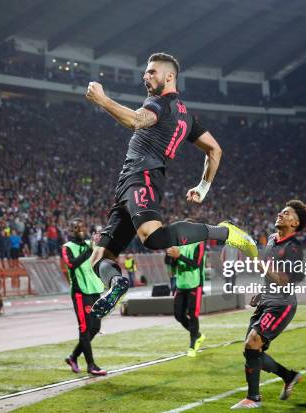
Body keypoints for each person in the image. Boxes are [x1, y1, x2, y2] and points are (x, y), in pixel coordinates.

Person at [84, 52, 257, 319]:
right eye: (145, 72)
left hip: (142, 176)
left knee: (153, 238)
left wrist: (103, 100)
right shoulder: (186, 116)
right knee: (98, 259)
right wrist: (203, 187)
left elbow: (136, 121)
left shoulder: (160, 104)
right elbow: (215, 150)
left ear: (169, 76)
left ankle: (224, 232)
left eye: (151, 71)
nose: (145, 76)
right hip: (129, 184)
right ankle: (116, 284)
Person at [231, 200, 306, 409]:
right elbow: (270, 275)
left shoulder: (293, 248)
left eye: (286, 213)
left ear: (295, 223)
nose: (280, 214)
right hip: (266, 301)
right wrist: (260, 292)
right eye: (281, 211)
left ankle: (253, 398)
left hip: (281, 305)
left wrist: (262, 267)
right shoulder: (272, 240)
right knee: (251, 352)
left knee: (252, 343)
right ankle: (289, 376)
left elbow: (284, 279)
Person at [62, 218, 107, 376]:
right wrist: (89, 249)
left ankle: (73, 356)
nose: (80, 230)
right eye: (77, 227)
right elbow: (72, 264)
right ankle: (91, 365)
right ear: (72, 230)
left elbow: (102, 249)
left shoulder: (90, 243)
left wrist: (101, 240)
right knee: (85, 328)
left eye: (82, 227)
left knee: (96, 327)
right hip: (80, 292)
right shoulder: (67, 247)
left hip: (94, 289)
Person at [166, 240, 206, 357]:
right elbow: (173, 266)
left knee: (193, 315)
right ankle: (197, 335)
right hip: (181, 284)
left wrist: (179, 256)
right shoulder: (177, 245)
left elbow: (196, 264)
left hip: (195, 284)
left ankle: (192, 345)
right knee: (178, 315)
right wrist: (171, 257)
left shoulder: (199, 244)